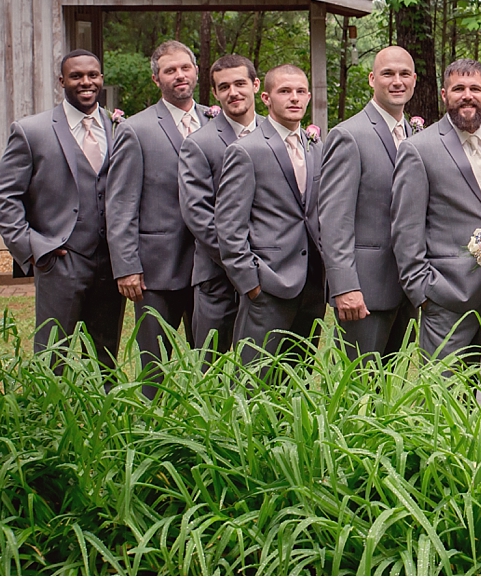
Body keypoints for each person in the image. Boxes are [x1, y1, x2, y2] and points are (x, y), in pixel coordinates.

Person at [0, 49, 123, 371]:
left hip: (111, 263)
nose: (86, 82)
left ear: (101, 79)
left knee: (104, 357)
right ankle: (49, 417)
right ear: (62, 81)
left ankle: (101, 416)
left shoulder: (118, 127)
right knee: (53, 356)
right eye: (76, 76)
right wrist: (34, 249)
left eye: (92, 75)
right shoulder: (31, 131)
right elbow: (4, 197)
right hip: (60, 260)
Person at [390, 60, 481, 365]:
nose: (467, 95)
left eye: (475, 88)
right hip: (446, 294)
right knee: (445, 394)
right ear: (444, 95)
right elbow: (405, 227)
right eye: (458, 89)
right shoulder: (418, 148)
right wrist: (422, 291)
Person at [107, 40, 207, 398]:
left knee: (212, 361)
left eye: (185, 68)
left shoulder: (216, 121)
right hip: (156, 269)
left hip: (210, 267)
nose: (179, 76)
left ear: (196, 71)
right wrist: (126, 266)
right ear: (156, 79)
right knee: (154, 368)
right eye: (170, 70)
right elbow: (120, 204)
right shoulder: (137, 130)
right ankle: (151, 429)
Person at [215, 64, 326, 369]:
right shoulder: (246, 151)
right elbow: (229, 225)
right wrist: (250, 282)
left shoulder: (315, 146)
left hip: (313, 282)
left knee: (298, 376)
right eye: (285, 91)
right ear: (265, 97)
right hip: (268, 284)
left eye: (301, 91)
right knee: (255, 378)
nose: (294, 98)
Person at [319, 46, 419, 363]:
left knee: (389, 389)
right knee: (359, 388)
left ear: (414, 80)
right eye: (388, 74)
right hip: (365, 291)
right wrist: (345, 286)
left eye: (404, 74)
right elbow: (334, 220)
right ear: (372, 79)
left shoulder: (418, 134)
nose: (397, 81)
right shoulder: (349, 135)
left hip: (410, 287)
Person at [178, 54, 263, 358]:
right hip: (218, 273)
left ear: (255, 85)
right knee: (210, 365)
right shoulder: (199, 143)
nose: (234, 92)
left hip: (270, 272)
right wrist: (239, 260)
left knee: (263, 365)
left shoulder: (275, 134)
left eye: (240, 83)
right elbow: (196, 213)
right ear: (215, 93)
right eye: (224, 87)